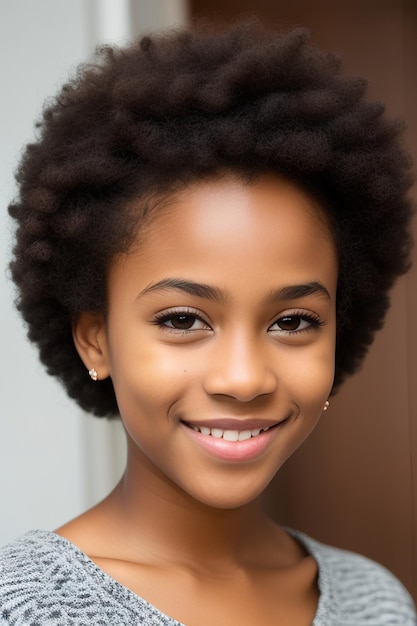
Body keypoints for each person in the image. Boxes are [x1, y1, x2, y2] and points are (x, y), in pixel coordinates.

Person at [1, 21, 416, 626]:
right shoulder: (24, 608)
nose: (244, 379)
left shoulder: (375, 602)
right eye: (182, 319)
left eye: (294, 321)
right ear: (96, 338)